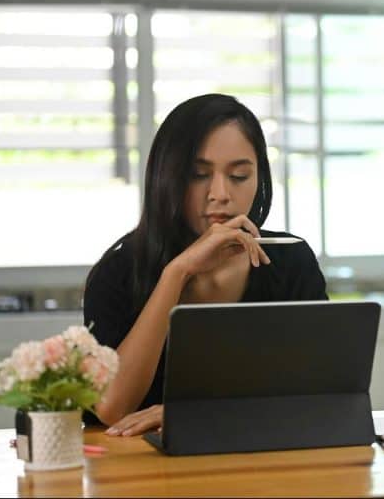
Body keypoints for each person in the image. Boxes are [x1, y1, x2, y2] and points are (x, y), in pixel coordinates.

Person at [82, 94, 328, 436]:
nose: (220, 193)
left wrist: (199, 415)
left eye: (240, 176)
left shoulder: (291, 260)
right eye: (198, 175)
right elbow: (111, 408)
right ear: (166, 178)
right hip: (142, 471)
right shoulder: (118, 272)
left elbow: (324, 397)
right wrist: (177, 273)